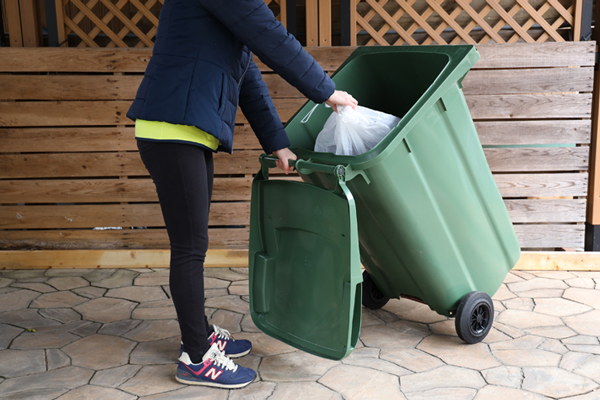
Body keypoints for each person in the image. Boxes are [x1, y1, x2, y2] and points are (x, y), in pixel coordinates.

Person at [127, 0, 357, 390]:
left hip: (187, 130)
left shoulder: (223, 14)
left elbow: (247, 74)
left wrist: (278, 143)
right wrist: (327, 91)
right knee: (190, 246)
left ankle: (198, 331)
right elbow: (272, 37)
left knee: (192, 242)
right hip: (173, 131)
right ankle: (196, 357)